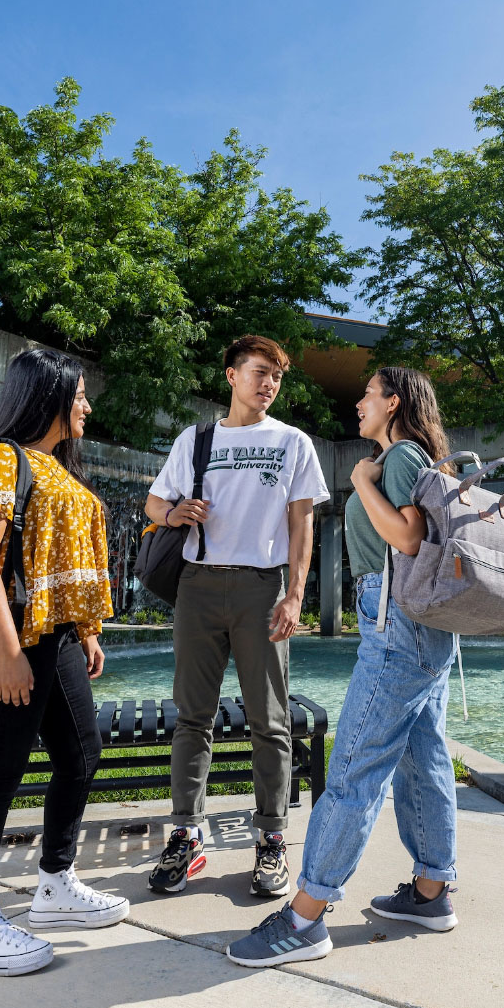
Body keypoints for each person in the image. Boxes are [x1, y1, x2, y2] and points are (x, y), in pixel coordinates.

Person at [226, 366, 459, 967]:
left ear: (394, 402)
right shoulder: (417, 461)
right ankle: (431, 891)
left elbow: (407, 538)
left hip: (396, 621)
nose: (357, 403)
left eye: (367, 394)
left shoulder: (401, 457)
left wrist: (363, 481)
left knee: (355, 763)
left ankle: (305, 916)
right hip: (428, 627)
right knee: (422, 757)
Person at [0, 348, 129, 977]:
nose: (87, 404)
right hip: (17, 642)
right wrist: (6, 653)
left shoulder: (54, 466)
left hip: (58, 641)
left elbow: (59, 559)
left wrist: (86, 629)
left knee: (82, 756)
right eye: (78, 394)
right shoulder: (2, 459)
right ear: (49, 396)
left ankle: (54, 884)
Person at [144, 335, 329, 898]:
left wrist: (295, 594)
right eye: (258, 372)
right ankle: (186, 835)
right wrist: (174, 512)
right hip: (198, 587)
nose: (268, 383)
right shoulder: (196, 439)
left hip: (261, 588)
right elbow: (154, 504)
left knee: (269, 721)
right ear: (231, 375)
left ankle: (271, 840)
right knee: (191, 719)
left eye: (276, 375)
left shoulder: (293, 441)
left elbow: (303, 524)